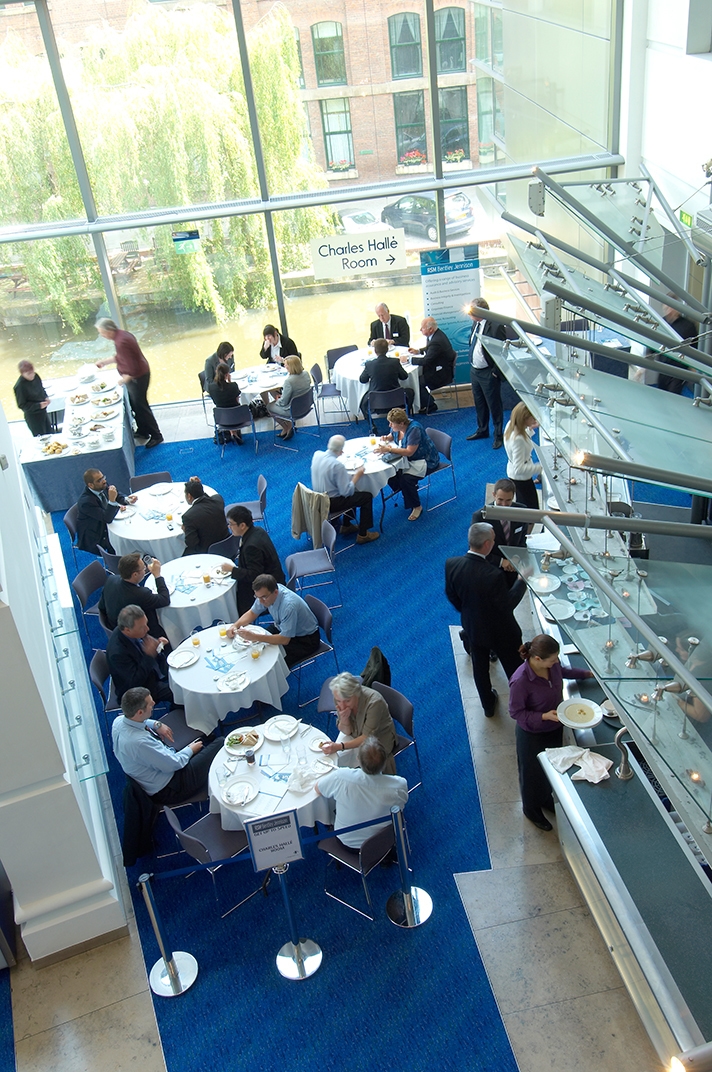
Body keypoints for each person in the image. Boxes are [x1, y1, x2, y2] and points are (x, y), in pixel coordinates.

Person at [509, 635, 594, 830]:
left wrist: (586, 674)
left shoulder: (552, 666)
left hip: (554, 727)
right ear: (537, 659)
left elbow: (563, 671)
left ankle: (545, 798)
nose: (556, 662)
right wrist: (543, 716)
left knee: (550, 769)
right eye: (553, 659)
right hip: (532, 734)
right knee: (531, 775)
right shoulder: (521, 680)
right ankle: (531, 809)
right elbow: (516, 712)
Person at [445, 523, 523, 717]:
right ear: (487, 544)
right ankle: (520, 702)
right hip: (501, 632)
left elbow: (452, 595)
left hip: (473, 626)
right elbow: (507, 605)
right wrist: (522, 581)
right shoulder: (493, 575)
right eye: (493, 540)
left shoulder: (451, 564)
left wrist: (469, 612)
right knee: (514, 668)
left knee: (480, 667)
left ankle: (488, 705)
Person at [112, 687, 223, 806]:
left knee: (203, 748)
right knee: (220, 743)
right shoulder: (140, 743)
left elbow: (140, 721)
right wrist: (190, 749)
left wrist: (156, 724)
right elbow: (174, 764)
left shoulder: (118, 721)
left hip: (159, 772)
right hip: (173, 786)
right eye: (150, 704)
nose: (154, 703)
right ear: (140, 712)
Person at [315, 737, 408, 849]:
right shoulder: (399, 785)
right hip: (383, 842)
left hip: (346, 842)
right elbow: (400, 807)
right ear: (385, 761)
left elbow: (318, 789)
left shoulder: (341, 776)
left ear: (358, 759)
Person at [226, 573, 320, 669]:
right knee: (254, 646)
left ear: (275, 592)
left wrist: (255, 637)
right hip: (281, 627)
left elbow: (284, 639)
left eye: (263, 597)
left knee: (271, 662)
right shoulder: (266, 594)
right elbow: (252, 613)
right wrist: (235, 625)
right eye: (257, 597)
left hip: (304, 640)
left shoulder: (289, 606)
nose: (260, 601)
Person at [95, 318, 163, 448]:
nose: (102, 335)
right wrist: (104, 362)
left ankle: (156, 435)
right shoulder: (122, 336)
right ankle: (143, 430)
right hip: (138, 374)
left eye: (102, 332)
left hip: (138, 377)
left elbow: (132, 367)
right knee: (135, 405)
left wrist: (123, 381)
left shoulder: (121, 341)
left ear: (109, 330)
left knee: (141, 406)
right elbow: (121, 357)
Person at [319, 673, 398, 774]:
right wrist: (344, 719)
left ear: (356, 694)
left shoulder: (374, 703)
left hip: (378, 738)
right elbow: (346, 731)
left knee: (367, 766)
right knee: (334, 759)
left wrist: (339, 746)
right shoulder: (340, 697)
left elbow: (366, 737)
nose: (342, 706)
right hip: (355, 732)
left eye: (347, 701)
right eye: (338, 701)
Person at [311, 434, 380, 544]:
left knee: (352, 489)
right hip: (330, 503)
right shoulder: (337, 466)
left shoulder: (317, 454)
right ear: (341, 450)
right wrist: (357, 476)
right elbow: (347, 492)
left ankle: (347, 525)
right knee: (366, 496)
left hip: (317, 498)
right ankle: (363, 534)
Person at [375, 407, 439, 522]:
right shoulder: (398, 427)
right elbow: (392, 435)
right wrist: (386, 438)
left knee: (406, 479)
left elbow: (410, 452)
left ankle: (417, 506)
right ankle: (407, 491)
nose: (389, 425)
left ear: (401, 423)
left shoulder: (414, 429)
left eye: (392, 423)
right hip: (410, 459)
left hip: (425, 460)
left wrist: (389, 450)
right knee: (389, 472)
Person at [220, 504, 285, 615]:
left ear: (242, 525)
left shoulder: (251, 546)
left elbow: (254, 575)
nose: (229, 527)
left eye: (231, 524)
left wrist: (232, 570)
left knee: (232, 601)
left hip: (268, 589)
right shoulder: (258, 531)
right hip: (273, 577)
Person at [472, 478, 529, 593]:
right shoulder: (480, 517)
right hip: (490, 569)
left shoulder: (522, 512)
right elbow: (475, 549)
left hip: (513, 569)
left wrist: (516, 558)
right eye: (500, 500)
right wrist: (501, 562)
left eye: (508, 500)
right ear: (494, 495)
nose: (504, 505)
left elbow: (522, 540)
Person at [106, 605, 172, 704]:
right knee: (178, 691)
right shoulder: (118, 654)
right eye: (142, 627)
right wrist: (149, 655)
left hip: (151, 671)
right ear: (127, 630)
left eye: (146, 624)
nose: (147, 629)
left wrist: (158, 646)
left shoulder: (129, 631)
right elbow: (135, 682)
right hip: (140, 690)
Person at [466, 297, 507, 448]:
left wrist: (495, 372)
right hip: (475, 371)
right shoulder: (475, 323)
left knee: (494, 405)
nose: (468, 313)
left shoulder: (496, 326)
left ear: (480, 311)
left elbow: (502, 352)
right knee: (479, 402)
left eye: (471, 309)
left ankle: (498, 435)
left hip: (488, 373)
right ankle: (482, 429)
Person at [99, 551, 171, 636]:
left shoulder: (111, 580)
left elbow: (101, 606)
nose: (146, 569)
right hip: (136, 634)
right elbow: (165, 599)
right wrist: (157, 575)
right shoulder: (141, 594)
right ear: (135, 574)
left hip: (114, 626)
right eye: (144, 568)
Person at [76, 468, 136, 554]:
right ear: (91, 485)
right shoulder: (86, 502)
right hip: (96, 534)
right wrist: (112, 501)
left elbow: (116, 495)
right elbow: (107, 519)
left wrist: (127, 500)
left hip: (104, 520)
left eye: (103, 477)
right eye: (99, 480)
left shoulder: (101, 485)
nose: (104, 481)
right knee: (124, 538)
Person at [358, 338, 413, 429]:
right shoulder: (395, 362)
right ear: (387, 349)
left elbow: (362, 380)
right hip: (396, 399)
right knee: (410, 392)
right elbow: (404, 377)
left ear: (375, 351)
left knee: (362, 403)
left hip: (375, 401)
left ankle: (372, 425)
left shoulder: (369, 365)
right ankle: (405, 419)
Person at [407, 316, 456, 415]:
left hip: (442, 374)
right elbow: (430, 349)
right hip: (441, 368)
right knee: (418, 379)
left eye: (422, 328)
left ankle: (430, 405)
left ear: (430, 329)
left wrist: (409, 359)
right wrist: (419, 351)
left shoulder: (436, 341)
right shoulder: (437, 335)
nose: (420, 330)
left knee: (417, 382)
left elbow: (426, 361)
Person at [504, 402, 541, 512]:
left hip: (515, 475)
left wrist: (531, 428)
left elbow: (523, 435)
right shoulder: (518, 439)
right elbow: (519, 469)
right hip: (521, 478)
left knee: (523, 506)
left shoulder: (510, 425)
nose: (534, 419)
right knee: (531, 510)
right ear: (524, 418)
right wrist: (541, 467)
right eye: (532, 418)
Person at [656, 298, 699, 393]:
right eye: (667, 308)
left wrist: (693, 368)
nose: (669, 311)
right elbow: (653, 343)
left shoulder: (688, 326)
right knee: (661, 393)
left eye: (671, 307)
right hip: (663, 367)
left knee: (673, 395)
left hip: (679, 369)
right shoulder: (660, 323)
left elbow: (694, 347)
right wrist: (642, 368)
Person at [265, 355, 312, 439]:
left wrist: (277, 400)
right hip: (306, 405)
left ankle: (287, 427)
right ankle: (289, 426)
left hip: (294, 410)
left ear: (290, 367)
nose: (284, 366)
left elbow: (283, 402)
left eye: (285, 365)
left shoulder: (289, 381)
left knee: (269, 407)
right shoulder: (306, 374)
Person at [181, 477, 227, 555]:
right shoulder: (218, 500)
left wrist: (186, 531)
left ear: (189, 496)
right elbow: (210, 498)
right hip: (227, 543)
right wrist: (197, 486)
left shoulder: (188, 517)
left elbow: (191, 543)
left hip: (207, 552)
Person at [207, 361, 243, 444]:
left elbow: (216, 401)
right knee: (233, 409)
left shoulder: (211, 387)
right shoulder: (233, 386)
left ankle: (232, 433)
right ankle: (234, 433)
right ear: (227, 375)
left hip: (221, 417)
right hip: (237, 417)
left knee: (225, 408)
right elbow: (237, 401)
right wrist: (230, 381)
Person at [13, 360, 51, 436]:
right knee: (41, 437)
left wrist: (45, 397)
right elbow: (22, 405)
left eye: (32, 372)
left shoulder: (36, 376)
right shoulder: (19, 386)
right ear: (22, 374)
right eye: (29, 374)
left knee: (50, 433)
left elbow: (41, 388)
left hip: (43, 412)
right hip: (33, 417)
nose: (32, 375)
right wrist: (38, 405)